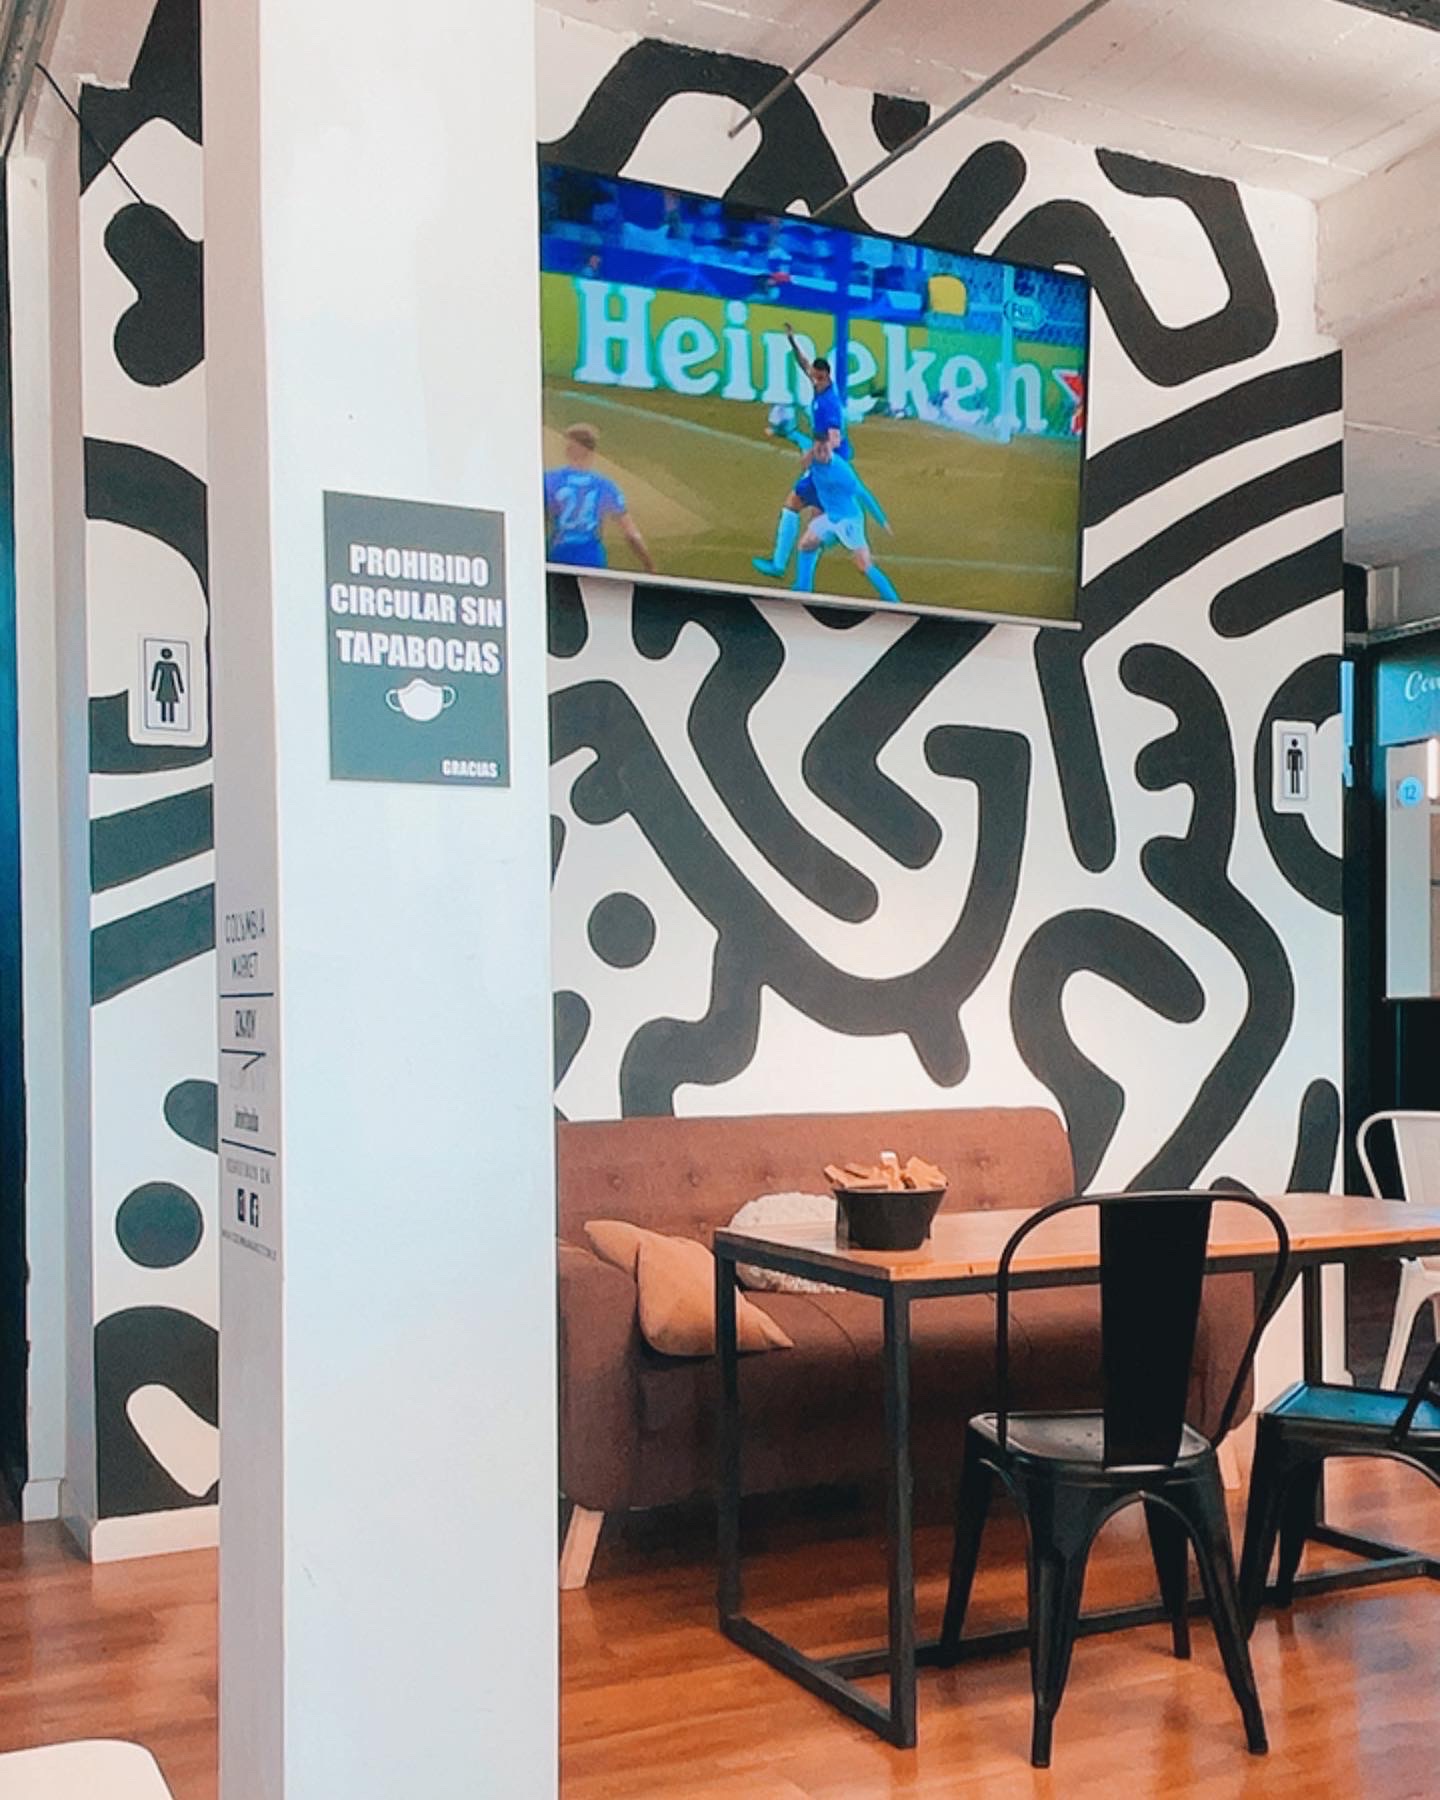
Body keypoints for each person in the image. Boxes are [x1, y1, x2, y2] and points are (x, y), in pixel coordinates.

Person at [753, 320, 853, 581]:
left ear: (827, 377)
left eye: (818, 378)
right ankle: (803, 576)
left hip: (828, 464)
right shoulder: (819, 385)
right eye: (814, 377)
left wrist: (813, 455)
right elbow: (804, 364)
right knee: (816, 520)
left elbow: (835, 439)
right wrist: (792, 341)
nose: (814, 381)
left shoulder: (830, 404)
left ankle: (780, 564)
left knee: (793, 505)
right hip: (831, 466)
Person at [793, 436, 900, 605]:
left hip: (849, 519)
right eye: (818, 450)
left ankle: (893, 601)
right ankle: (802, 590)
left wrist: (882, 521)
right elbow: (797, 438)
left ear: (831, 448)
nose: (822, 454)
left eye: (825, 450)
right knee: (806, 544)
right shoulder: (811, 458)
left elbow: (863, 494)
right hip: (830, 517)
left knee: (863, 564)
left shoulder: (842, 471)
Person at [543, 424, 655, 573]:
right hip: (591, 560)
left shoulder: (549, 480)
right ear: (591, 452)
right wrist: (649, 564)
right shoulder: (604, 486)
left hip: (557, 557)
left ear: (569, 450)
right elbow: (631, 534)